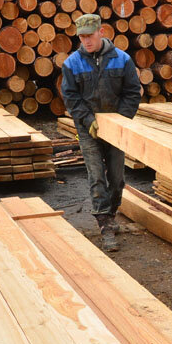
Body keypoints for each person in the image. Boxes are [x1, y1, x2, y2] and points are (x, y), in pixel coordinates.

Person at [59, 13, 141, 252]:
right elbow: (71, 98)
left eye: (90, 36)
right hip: (88, 129)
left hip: (115, 127)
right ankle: (104, 224)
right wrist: (87, 120)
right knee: (96, 177)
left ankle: (111, 213)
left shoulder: (122, 60)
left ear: (101, 32)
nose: (86, 41)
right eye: (82, 37)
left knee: (116, 179)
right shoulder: (72, 63)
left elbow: (133, 93)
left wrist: (120, 121)